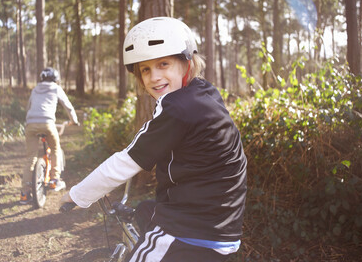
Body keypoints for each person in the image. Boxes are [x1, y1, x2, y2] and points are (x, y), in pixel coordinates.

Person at [59, 17, 247, 261]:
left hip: (189, 230)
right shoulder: (205, 93)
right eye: (145, 69)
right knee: (146, 210)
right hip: (223, 225)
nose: (154, 76)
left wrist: (77, 195)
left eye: (163, 64)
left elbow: (126, 162)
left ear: (186, 63)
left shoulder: (177, 108)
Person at [20, 67, 80, 204]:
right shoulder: (56, 88)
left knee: (31, 157)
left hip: (30, 124)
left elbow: (29, 107)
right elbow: (68, 106)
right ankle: (54, 180)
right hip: (47, 123)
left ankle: (25, 193)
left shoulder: (35, 89)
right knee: (55, 149)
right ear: (55, 78)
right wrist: (74, 121)